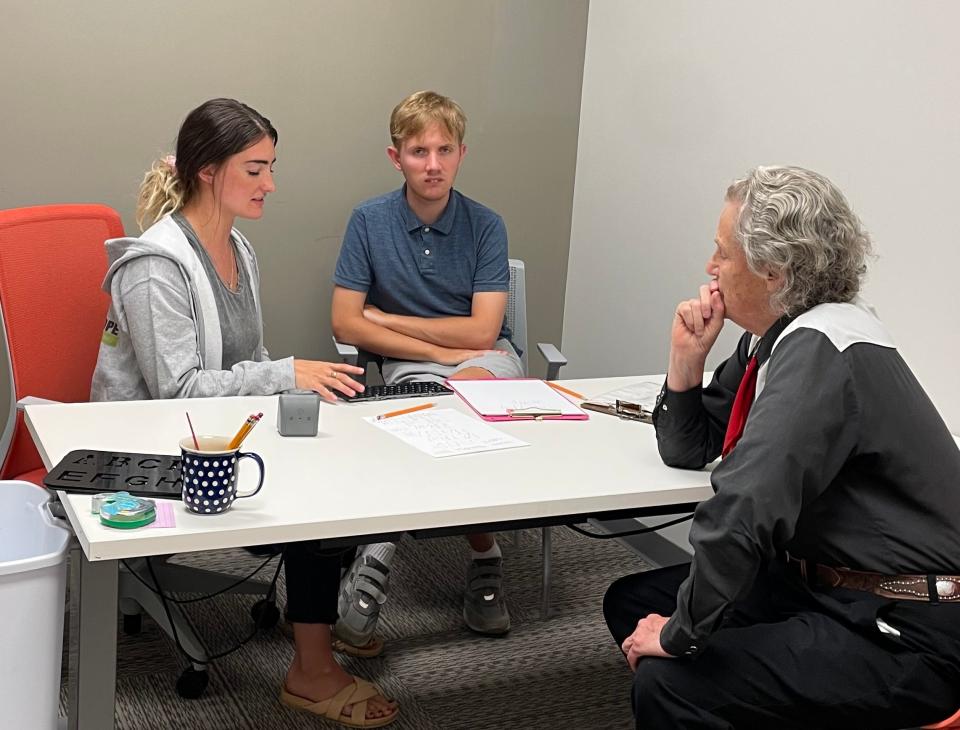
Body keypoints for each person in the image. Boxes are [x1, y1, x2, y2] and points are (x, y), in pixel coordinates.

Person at [603, 165, 960, 729]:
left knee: (672, 682)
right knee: (633, 603)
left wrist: (680, 637)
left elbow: (742, 510)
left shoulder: (823, 348)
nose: (710, 267)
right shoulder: (778, 338)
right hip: (824, 586)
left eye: (722, 252)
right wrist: (686, 362)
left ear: (772, 268)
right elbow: (690, 446)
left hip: (906, 626)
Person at [90, 98, 398, 727]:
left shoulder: (239, 249)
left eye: (272, 168)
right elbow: (174, 392)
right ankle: (310, 671)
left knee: (339, 461)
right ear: (208, 170)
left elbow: (246, 360)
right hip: (147, 452)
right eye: (255, 169)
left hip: (210, 433)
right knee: (314, 500)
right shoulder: (155, 267)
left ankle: (313, 620)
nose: (271, 184)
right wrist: (286, 374)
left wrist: (298, 393)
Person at [330, 90, 524, 642]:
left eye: (444, 150)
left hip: (484, 364)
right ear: (397, 158)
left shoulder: (487, 225)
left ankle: (387, 549)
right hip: (412, 369)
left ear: (462, 154)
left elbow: (483, 332)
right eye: (419, 151)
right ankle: (479, 555)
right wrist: (439, 349)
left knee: (459, 413)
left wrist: (389, 319)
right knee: (427, 414)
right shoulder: (369, 220)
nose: (432, 164)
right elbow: (346, 323)